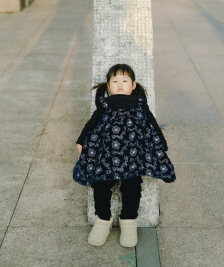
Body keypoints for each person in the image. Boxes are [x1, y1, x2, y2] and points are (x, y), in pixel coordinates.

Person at [73, 63, 176, 247]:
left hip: (132, 156)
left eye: (125, 80)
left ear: (133, 85)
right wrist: (81, 141)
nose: (120, 84)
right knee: (100, 184)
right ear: (108, 85)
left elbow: (151, 123)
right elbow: (92, 124)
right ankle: (102, 219)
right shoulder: (104, 105)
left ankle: (129, 220)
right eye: (115, 81)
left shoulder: (139, 104)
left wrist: (161, 144)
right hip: (106, 155)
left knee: (132, 186)